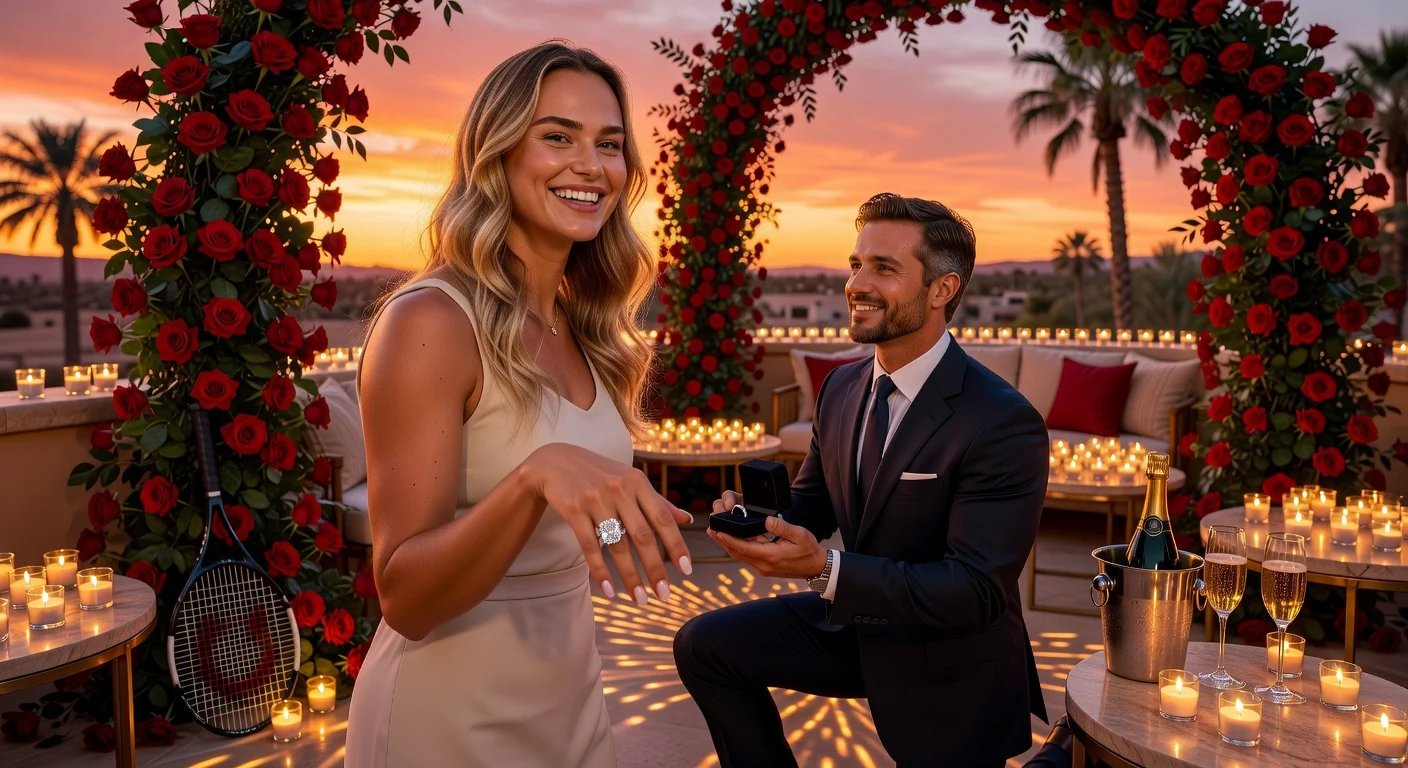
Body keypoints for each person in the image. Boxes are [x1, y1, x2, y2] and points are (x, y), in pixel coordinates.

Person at [345, 42, 693, 767]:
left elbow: (564, 532)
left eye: (609, 144)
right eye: (557, 136)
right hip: (450, 717)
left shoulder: (585, 327)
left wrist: (621, 534)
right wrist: (535, 477)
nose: (591, 165)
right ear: (496, 153)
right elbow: (404, 597)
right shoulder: (430, 324)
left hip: (572, 700)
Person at [674, 193, 1049, 767]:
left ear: (942, 291)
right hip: (857, 621)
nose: (857, 283)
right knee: (705, 646)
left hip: (948, 654)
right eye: (856, 265)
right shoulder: (842, 388)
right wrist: (758, 523)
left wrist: (825, 569)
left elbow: (973, 592)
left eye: (884, 268)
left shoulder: (1002, 421)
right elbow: (811, 508)